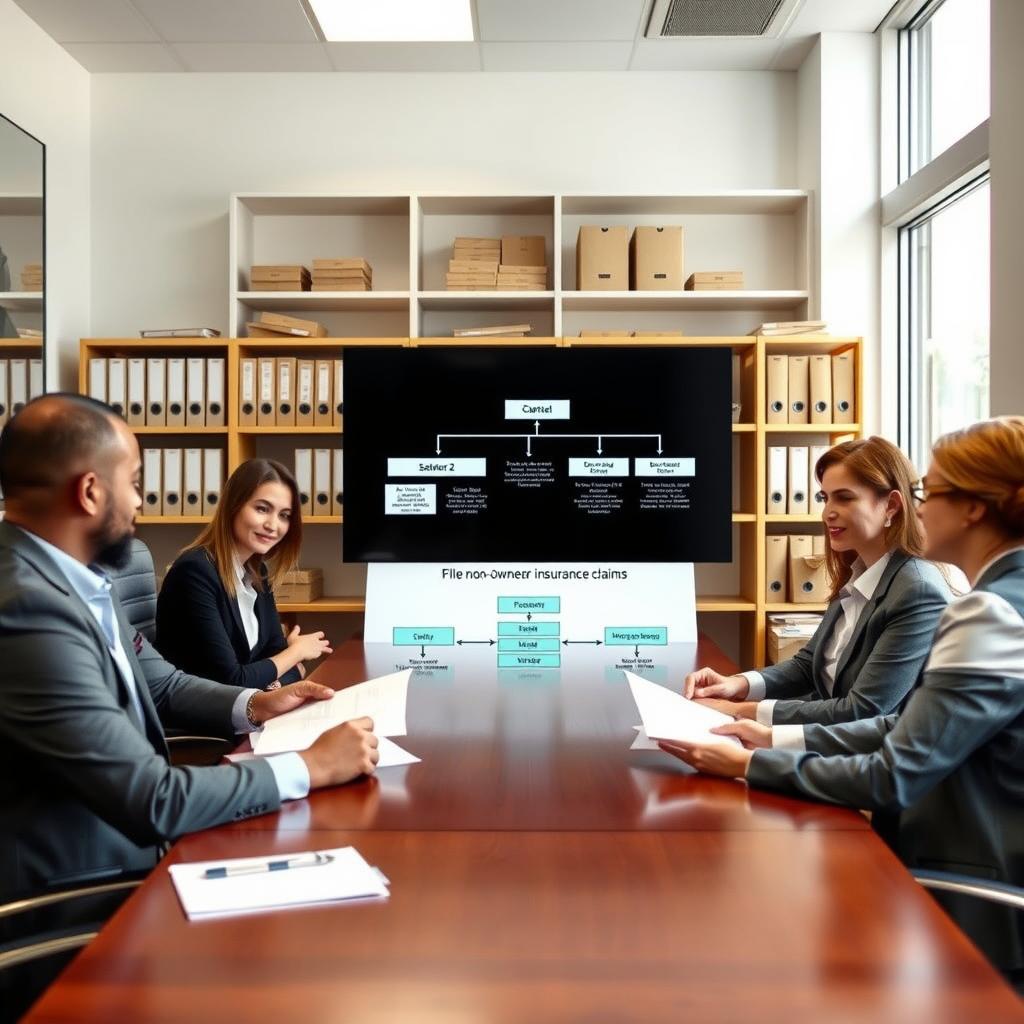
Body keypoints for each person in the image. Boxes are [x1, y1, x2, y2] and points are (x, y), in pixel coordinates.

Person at [660, 417, 1024, 985]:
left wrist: (754, 761)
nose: (921, 508)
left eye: (930, 492)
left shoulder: (987, 611)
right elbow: (902, 727)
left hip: (973, 891)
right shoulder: (984, 596)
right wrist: (761, 732)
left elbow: (895, 766)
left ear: (974, 509)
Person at [0, 394, 379, 909]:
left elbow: (162, 683)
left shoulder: (84, 581)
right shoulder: (27, 610)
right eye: (133, 483)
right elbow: (152, 798)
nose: (140, 503)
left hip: (138, 853)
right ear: (90, 491)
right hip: (80, 896)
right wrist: (310, 766)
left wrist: (256, 704)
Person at [684, 436, 950, 729]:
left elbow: (863, 711)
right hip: (826, 742)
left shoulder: (916, 590)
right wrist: (737, 685)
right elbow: (808, 665)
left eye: (845, 498)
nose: (827, 513)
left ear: (891, 505)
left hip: (864, 762)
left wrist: (742, 711)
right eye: (825, 498)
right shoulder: (860, 571)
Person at [157, 458, 329, 691]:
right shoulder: (195, 572)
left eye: (284, 515)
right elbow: (233, 681)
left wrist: (283, 666)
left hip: (245, 714)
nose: (273, 525)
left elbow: (278, 660)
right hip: (199, 721)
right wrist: (295, 653)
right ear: (233, 505)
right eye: (262, 509)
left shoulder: (257, 572)